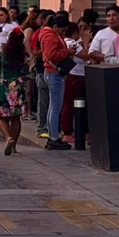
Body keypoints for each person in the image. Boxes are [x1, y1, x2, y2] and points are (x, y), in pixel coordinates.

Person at [38, 11, 75, 150]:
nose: (64, 33)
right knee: (56, 107)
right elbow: (52, 54)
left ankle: (52, 135)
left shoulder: (48, 35)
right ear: (55, 27)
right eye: (62, 30)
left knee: (53, 107)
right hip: (54, 73)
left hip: (51, 72)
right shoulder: (51, 37)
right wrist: (68, 52)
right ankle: (54, 137)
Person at [0, 29, 30, 156]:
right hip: (18, 88)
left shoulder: (2, 52)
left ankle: (8, 138)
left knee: (2, 117)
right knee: (16, 118)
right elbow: (29, 71)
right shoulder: (24, 54)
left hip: (4, 86)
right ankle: (14, 145)